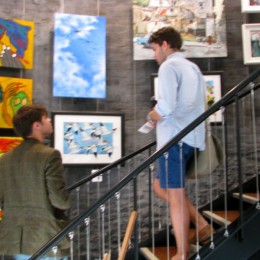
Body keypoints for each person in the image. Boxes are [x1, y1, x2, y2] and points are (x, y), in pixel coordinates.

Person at [147, 27, 212, 260]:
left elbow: (166, 107)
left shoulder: (168, 66)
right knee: (159, 186)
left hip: (174, 140)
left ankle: (182, 254)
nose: (154, 55)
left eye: (154, 49)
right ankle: (201, 222)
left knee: (175, 197)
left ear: (165, 45)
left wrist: (152, 115)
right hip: (190, 138)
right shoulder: (192, 67)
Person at [0, 104, 72, 260]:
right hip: (45, 238)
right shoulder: (49, 155)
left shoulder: (5, 159)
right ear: (36, 125)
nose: (50, 120)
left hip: (14, 240)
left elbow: (2, 200)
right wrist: (67, 200)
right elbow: (60, 201)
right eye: (46, 117)